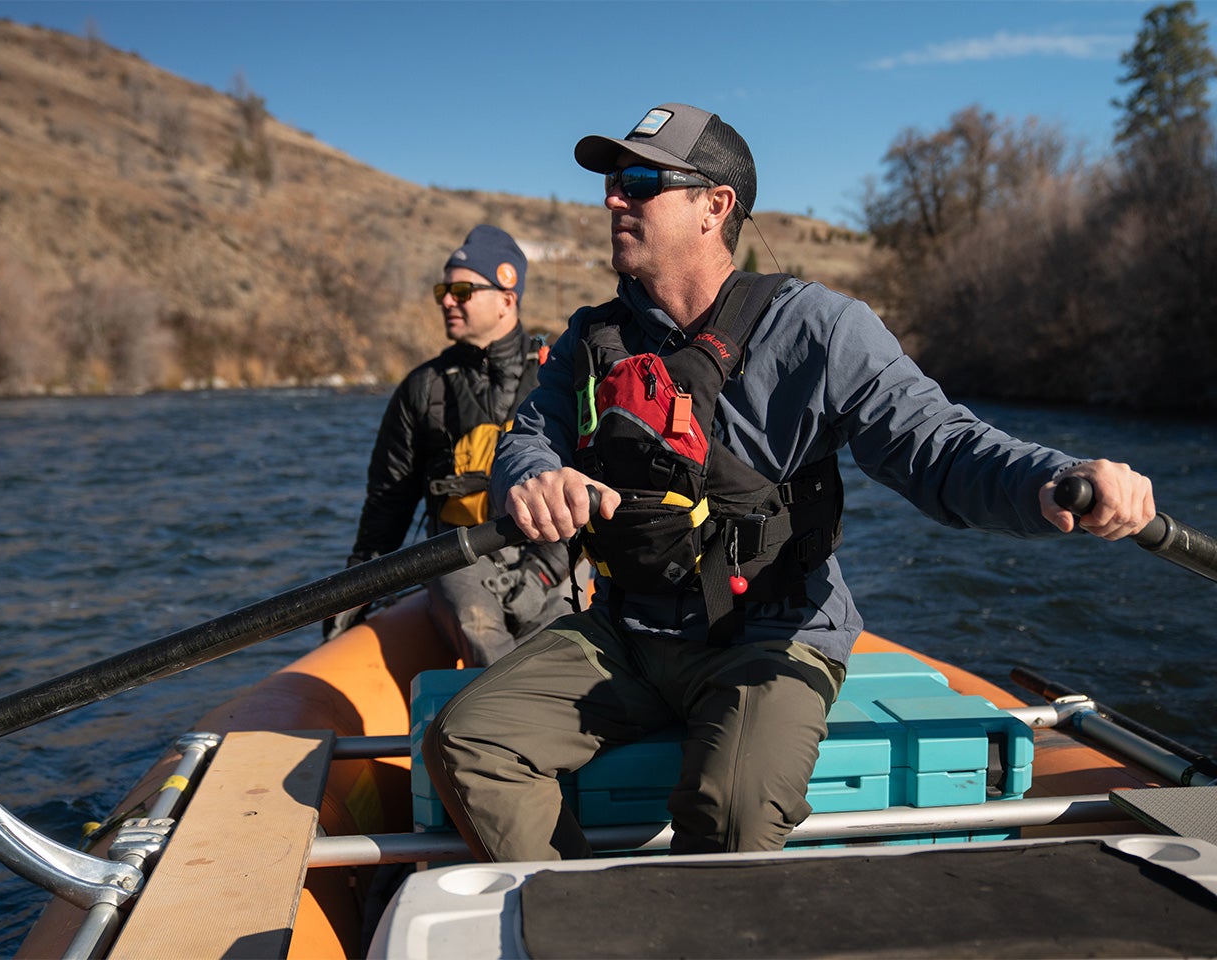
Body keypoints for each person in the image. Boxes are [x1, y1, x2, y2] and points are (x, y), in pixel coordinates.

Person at [421, 103, 1156, 862]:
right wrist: (534, 477)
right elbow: (528, 439)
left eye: (640, 181)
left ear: (715, 206)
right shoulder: (589, 338)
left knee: (733, 811)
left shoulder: (822, 329)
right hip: (628, 632)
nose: (614, 198)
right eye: (613, 182)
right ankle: (578, 918)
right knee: (467, 741)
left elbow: (941, 446)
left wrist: (1054, 479)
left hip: (770, 636)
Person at [328, 224, 578, 667]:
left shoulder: (556, 376)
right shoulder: (421, 388)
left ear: (507, 297)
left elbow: (588, 481)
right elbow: (388, 505)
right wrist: (355, 591)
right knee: (476, 621)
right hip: (457, 552)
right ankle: (498, 718)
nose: (446, 299)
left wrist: (543, 571)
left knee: (559, 626)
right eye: (443, 289)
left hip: (552, 547)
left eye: (462, 290)